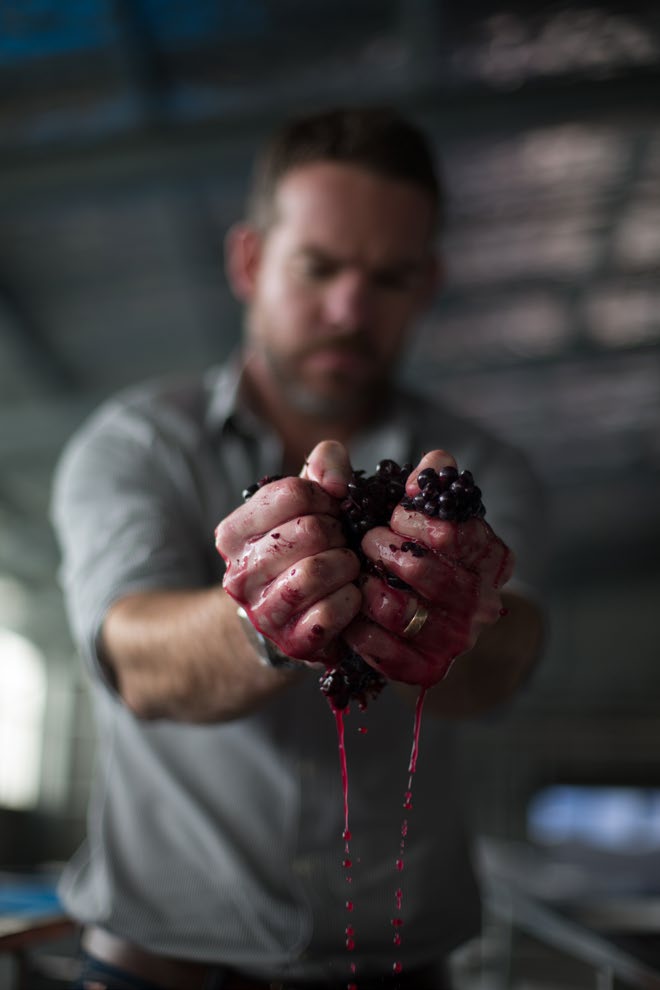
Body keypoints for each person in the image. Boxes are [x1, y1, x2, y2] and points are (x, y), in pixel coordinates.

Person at [51, 105, 545, 990]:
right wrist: (262, 617)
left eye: (389, 278)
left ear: (428, 285)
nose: (350, 309)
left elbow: (509, 658)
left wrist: (467, 618)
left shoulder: (486, 472)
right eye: (318, 267)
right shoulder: (135, 447)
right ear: (250, 260)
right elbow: (137, 662)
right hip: (161, 969)